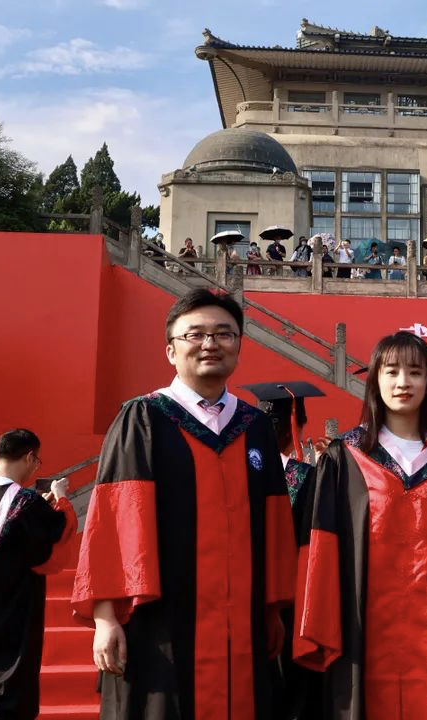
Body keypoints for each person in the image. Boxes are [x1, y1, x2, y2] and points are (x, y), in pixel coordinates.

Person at [72, 288, 297, 719]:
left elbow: (273, 526)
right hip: (160, 624)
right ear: (171, 351)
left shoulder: (253, 426)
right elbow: (112, 522)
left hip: (241, 623)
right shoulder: (144, 418)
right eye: (195, 334)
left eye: (224, 334)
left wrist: (273, 609)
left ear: (239, 346)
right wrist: (105, 617)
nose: (210, 343)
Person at [294, 332, 427, 719]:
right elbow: (322, 550)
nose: (402, 382)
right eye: (391, 371)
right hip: (360, 630)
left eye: (415, 372)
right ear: (375, 379)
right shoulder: (345, 457)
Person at [243, 381, 327, 720]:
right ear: (297, 427)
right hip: (292, 594)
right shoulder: (306, 477)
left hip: (243, 591)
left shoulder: (238, 471)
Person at [0, 430, 75, 720]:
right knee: (2, 686)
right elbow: (55, 538)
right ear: (30, 457)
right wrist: (61, 499)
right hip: (10, 607)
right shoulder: (25, 502)